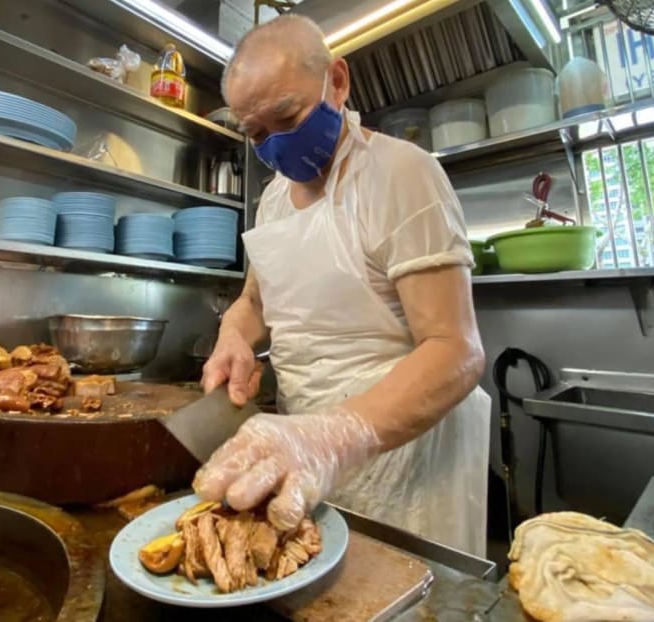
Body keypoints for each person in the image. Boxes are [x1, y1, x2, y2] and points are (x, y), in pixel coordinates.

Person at [193, 14, 492, 556]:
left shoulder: (402, 173)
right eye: (256, 133)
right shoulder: (275, 200)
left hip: (404, 465)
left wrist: (331, 439)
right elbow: (255, 299)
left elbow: (457, 352)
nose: (275, 146)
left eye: (288, 117)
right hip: (306, 461)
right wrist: (233, 336)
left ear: (337, 81)